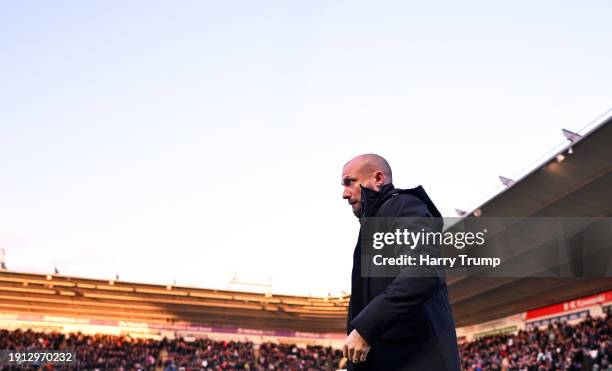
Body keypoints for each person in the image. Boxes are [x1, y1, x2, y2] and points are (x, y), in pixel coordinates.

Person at [341, 153, 460, 371]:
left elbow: (422, 273)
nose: (344, 194)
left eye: (350, 182)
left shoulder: (404, 207)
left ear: (378, 179)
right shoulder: (374, 224)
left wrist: (366, 329)